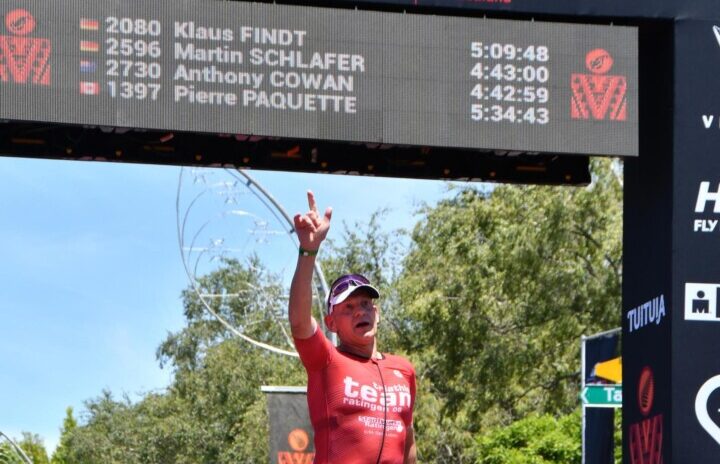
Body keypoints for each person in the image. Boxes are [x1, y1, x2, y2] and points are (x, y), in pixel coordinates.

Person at [289, 191, 417, 464]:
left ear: (377, 314)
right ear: (331, 323)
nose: (360, 310)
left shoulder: (404, 370)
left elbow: (408, 442)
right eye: (348, 307)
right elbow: (300, 322)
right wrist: (308, 250)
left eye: (366, 304)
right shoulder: (326, 360)